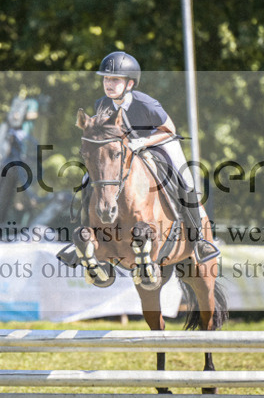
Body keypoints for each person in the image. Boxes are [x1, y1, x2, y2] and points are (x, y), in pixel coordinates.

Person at [85, 50, 220, 263]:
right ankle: (86, 235)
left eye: (115, 80)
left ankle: (200, 239)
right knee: (88, 179)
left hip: (158, 143)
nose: (108, 84)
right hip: (124, 151)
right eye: (106, 79)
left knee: (185, 181)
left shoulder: (146, 103)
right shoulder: (101, 104)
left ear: (129, 84)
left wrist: (142, 143)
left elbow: (169, 130)